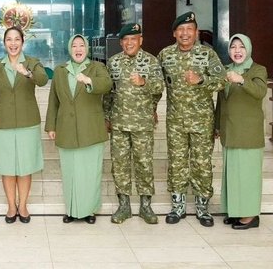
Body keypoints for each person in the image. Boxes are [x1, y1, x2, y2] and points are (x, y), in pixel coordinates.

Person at [157, 11, 225, 227]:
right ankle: (177, 206)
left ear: (196, 33)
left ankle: (203, 208)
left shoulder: (208, 55)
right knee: (176, 163)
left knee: (202, 164)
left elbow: (222, 80)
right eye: (181, 30)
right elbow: (157, 85)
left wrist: (201, 80)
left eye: (190, 29)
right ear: (174, 33)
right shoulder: (165, 55)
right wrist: (150, 107)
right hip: (175, 121)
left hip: (202, 121)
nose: (185, 33)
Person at [45, 34, 112, 224]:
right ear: (69, 49)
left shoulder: (97, 67)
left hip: (90, 128)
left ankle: (89, 210)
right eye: (74, 45)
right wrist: (51, 125)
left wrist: (89, 81)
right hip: (66, 128)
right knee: (70, 172)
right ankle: (72, 210)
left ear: (87, 48)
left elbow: (107, 84)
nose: (78, 49)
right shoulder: (60, 70)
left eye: (81, 45)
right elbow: (53, 100)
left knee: (90, 172)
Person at [103, 23, 164, 225]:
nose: (129, 43)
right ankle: (124, 205)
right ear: (121, 42)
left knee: (144, 164)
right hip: (119, 123)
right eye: (125, 40)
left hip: (143, 124)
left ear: (140, 40)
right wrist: (106, 116)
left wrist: (144, 83)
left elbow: (159, 88)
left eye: (133, 39)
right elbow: (108, 94)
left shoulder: (151, 61)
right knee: (119, 165)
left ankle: (146, 206)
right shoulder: (113, 62)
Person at [0, 26, 48, 223]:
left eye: (16, 39)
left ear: (23, 42)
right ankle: (11, 206)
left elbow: (43, 79)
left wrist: (27, 72)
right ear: (4, 43)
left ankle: (23, 206)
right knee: (7, 167)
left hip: (27, 122)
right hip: (4, 122)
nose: (13, 43)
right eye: (9, 40)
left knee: (25, 167)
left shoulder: (32, 62)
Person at [216, 34, 267, 230]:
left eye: (241, 47)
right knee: (233, 175)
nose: (237, 51)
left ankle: (250, 216)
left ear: (248, 49)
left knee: (247, 176)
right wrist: (217, 126)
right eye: (233, 47)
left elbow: (260, 91)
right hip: (230, 131)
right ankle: (236, 211)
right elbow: (222, 100)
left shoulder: (257, 70)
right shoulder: (226, 70)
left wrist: (241, 80)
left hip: (247, 134)